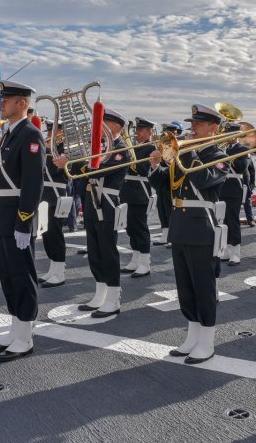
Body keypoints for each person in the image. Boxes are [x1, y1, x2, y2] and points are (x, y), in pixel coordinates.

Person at [149, 104, 228, 364]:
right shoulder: (183, 155)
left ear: (212, 128)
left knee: (203, 285)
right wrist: (156, 166)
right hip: (181, 224)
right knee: (185, 285)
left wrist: (188, 154)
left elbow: (205, 180)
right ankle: (192, 335)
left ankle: (207, 340)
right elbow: (163, 186)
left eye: (198, 124)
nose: (192, 128)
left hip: (202, 225)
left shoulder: (218, 155)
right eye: (192, 123)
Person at [0, 81, 45, 361]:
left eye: (6, 100)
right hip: (4, 216)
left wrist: (24, 222)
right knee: (8, 277)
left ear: (22, 103)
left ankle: (25, 337)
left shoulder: (31, 134)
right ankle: (15, 329)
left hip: (17, 218)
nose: (1, 104)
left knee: (22, 276)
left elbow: (33, 184)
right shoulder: (9, 134)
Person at [55, 109, 129, 317]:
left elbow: (99, 169)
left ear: (115, 127)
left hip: (107, 201)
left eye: (105, 123)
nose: (101, 126)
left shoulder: (122, 149)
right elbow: (81, 172)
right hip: (91, 199)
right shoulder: (99, 147)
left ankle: (113, 297)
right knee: (94, 249)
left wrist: (73, 162)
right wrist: (72, 161)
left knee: (107, 249)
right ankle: (100, 293)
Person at [119, 117, 157, 278]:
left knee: (140, 228)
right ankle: (135, 259)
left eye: (141, 131)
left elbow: (142, 169)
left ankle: (145, 262)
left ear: (149, 132)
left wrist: (130, 156)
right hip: (127, 192)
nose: (137, 133)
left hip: (140, 192)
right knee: (130, 228)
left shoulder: (151, 149)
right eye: (137, 130)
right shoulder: (134, 147)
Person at [38, 121, 69, 288]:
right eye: (50, 131)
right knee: (46, 234)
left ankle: (59, 271)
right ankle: (52, 268)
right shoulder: (46, 147)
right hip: (44, 196)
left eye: (55, 131)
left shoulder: (66, 149)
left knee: (55, 234)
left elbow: (57, 169)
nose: (51, 134)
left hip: (56, 195)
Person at [218, 122, 251, 266]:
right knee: (222, 221)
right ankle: (225, 250)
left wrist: (225, 158)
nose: (228, 137)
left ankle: (235, 253)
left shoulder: (243, 148)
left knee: (232, 220)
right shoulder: (222, 149)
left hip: (234, 188)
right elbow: (218, 167)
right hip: (222, 188)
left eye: (230, 134)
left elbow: (241, 167)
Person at [152, 121, 183, 246]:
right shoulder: (163, 144)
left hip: (173, 180)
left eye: (169, 132)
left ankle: (173, 234)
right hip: (163, 179)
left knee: (171, 208)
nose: (165, 135)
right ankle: (165, 233)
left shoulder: (177, 145)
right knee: (162, 208)